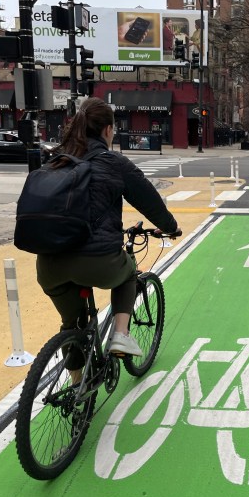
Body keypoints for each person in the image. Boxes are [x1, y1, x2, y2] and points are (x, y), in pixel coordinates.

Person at [36, 98, 180, 367]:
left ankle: (77, 387)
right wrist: (171, 227)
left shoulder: (57, 160)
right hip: (97, 259)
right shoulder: (113, 162)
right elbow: (150, 202)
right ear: (108, 130)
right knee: (129, 273)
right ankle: (121, 335)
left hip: (49, 263)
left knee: (73, 325)